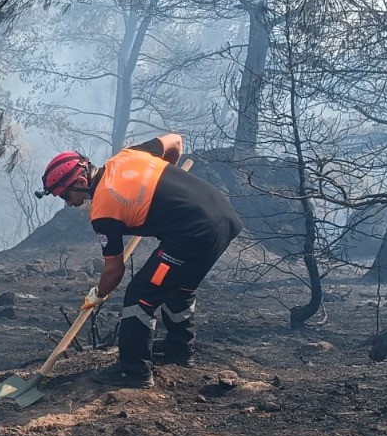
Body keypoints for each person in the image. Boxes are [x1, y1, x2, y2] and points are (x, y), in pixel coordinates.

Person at [38, 134, 242, 388]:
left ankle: (134, 371)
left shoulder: (103, 210)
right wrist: (160, 182)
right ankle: (179, 350)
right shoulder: (129, 155)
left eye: (65, 196)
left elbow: (114, 270)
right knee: (180, 286)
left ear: (81, 181)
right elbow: (175, 141)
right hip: (223, 217)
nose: (68, 203)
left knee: (141, 294)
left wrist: (98, 294)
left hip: (193, 234)